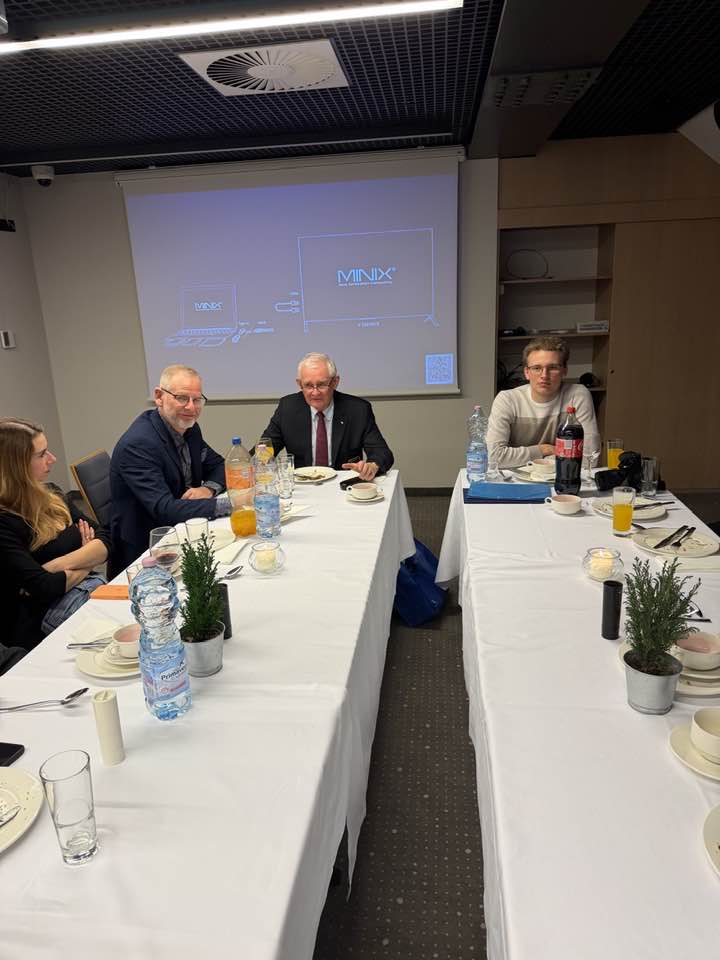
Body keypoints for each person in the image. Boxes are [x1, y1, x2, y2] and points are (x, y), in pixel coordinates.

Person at [110, 364, 231, 574]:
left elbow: (219, 465)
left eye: (197, 400)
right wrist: (231, 504)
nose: (191, 407)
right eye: (182, 398)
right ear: (159, 397)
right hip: (147, 553)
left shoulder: (189, 429)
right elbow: (165, 509)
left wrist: (208, 489)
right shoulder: (138, 444)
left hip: (183, 531)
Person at [0, 418, 110, 650]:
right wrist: (87, 558)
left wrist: (56, 565)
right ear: (15, 465)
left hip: (87, 593)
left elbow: (105, 541)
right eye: (41, 455)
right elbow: (45, 587)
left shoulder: (52, 494)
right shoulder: (5, 523)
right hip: (43, 627)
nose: (52, 459)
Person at [260, 353, 394, 481]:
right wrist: (257, 460)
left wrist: (372, 466)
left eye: (322, 385)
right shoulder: (287, 408)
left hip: (342, 486)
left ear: (335, 382)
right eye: (308, 385)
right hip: (302, 486)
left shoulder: (358, 410)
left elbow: (382, 453)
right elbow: (265, 448)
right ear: (299, 384)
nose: (315, 392)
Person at [487, 336, 601, 469]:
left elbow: (590, 458)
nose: (544, 375)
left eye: (553, 367)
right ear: (527, 372)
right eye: (537, 368)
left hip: (561, 476)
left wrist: (542, 461)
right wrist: (544, 449)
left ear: (564, 370)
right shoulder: (507, 400)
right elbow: (494, 457)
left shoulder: (577, 395)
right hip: (516, 477)